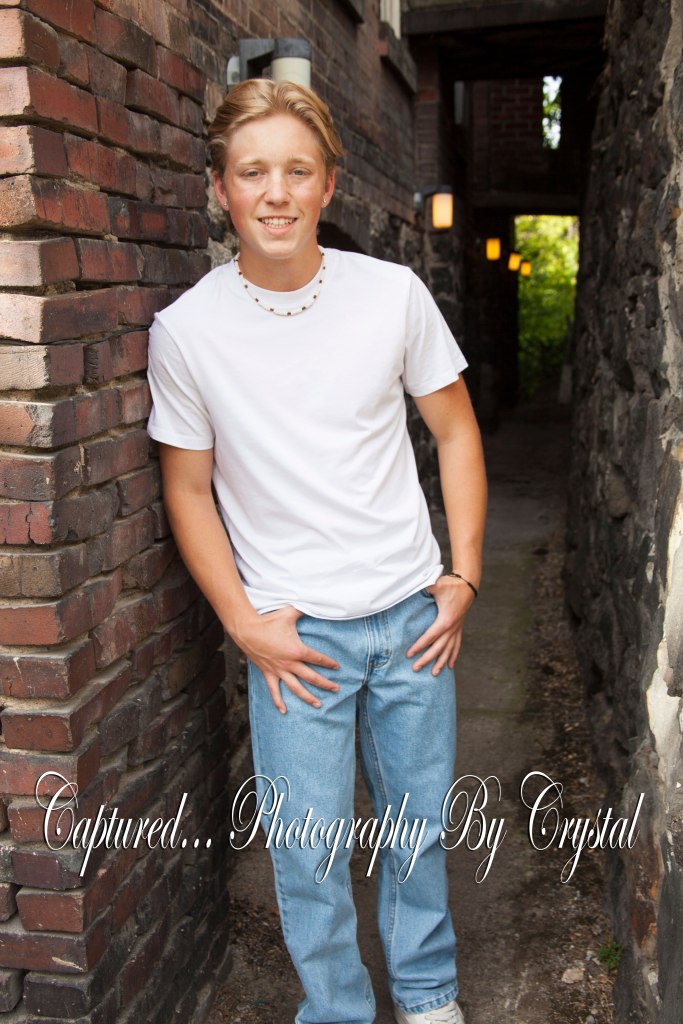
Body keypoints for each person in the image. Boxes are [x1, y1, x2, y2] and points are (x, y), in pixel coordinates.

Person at [146, 77, 486, 1024]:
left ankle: (427, 994)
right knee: (307, 850)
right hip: (294, 639)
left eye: (297, 171)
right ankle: (336, 1009)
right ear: (221, 188)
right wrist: (242, 624)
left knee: (417, 829)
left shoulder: (392, 296)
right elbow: (187, 489)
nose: (276, 193)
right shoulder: (187, 332)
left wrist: (463, 573)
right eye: (253, 172)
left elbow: (455, 432)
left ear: (328, 185)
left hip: (412, 620)